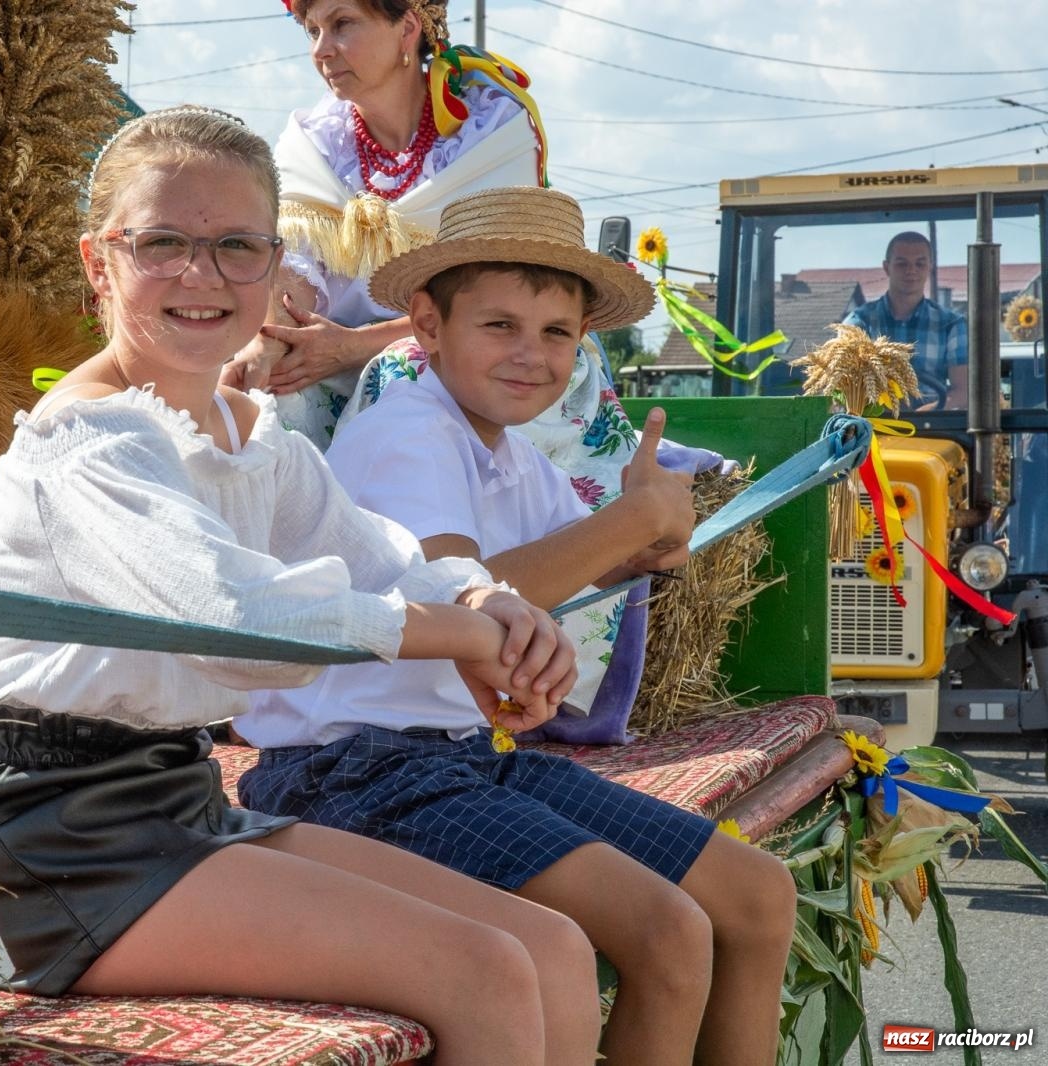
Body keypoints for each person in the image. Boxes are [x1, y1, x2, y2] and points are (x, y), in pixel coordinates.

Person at [0, 107, 605, 1066]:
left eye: (237, 246)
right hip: (50, 833)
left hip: (174, 796)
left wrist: (482, 602)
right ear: (99, 262)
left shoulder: (249, 434)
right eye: (162, 243)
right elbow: (231, 620)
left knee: (551, 947)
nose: (201, 275)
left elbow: (380, 554)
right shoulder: (87, 443)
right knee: (485, 969)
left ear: (273, 265)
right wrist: (463, 638)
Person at [236, 187, 799, 1066]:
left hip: (459, 757)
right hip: (350, 773)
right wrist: (633, 520)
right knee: (667, 932)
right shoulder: (406, 433)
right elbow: (469, 599)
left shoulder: (512, 455)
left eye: (556, 333)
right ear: (428, 325)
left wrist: (645, 546)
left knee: (757, 895)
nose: (531, 355)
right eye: (500, 325)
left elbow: (562, 569)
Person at [222, 0, 549, 445]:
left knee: (404, 378)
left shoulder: (490, 130)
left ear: (407, 28)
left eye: (342, 24)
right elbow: (292, 269)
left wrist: (355, 347)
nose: (321, 49)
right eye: (313, 31)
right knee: (267, 390)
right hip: (328, 353)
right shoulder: (314, 141)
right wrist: (270, 342)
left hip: (474, 355)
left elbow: (507, 299)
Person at [843, 231, 968, 409]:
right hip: (874, 422)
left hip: (934, 424)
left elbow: (963, 391)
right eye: (902, 264)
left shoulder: (951, 325)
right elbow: (845, 386)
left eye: (920, 264)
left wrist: (927, 414)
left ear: (930, 267)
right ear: (886, 267)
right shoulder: (859, 323)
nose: (911, 270)